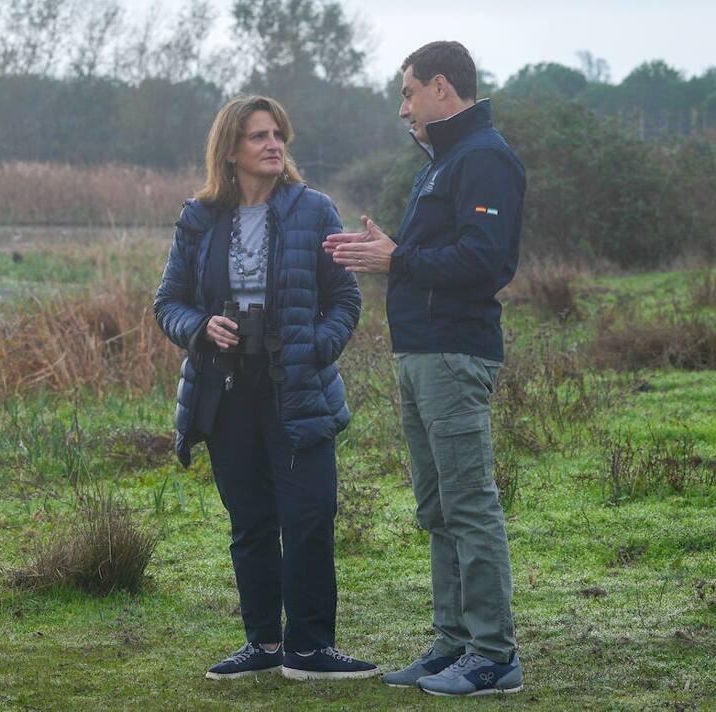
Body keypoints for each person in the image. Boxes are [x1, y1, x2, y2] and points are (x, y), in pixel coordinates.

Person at [323, 41, 525, 697]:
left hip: (454, 353)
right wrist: (388, 253)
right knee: (436, 508)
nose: (404, 106)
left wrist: (396, 259)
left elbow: (484, 262)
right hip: (418, 353)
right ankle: (452, 644)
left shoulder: (485, 159)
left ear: (443, 86)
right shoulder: (442, 161)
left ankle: (493, 656)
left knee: (468, 506)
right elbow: (427, 254)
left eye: (409, 92)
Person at [153, 94, 378, 682]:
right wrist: (201, 326)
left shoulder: (314, 210)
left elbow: (344, 299)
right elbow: (167, 303)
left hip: (297, 387)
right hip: (224, 389)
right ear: (230, 150)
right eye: (258, 136)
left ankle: (310, 648)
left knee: (308, 516)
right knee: (250, 521)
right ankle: (262, 645)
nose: (273, 144)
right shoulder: (199, 216)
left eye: (278, 134)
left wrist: (315, 348)